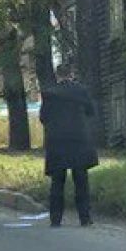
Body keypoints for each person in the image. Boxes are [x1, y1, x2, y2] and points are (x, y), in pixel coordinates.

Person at [40, 65, 97, 227]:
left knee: (57, 181)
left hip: (57, 142)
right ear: (71, 74)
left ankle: (56, 219)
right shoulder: (81, 90)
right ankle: (85, 218)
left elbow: (44, 118)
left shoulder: (49, 93)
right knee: (81, 180)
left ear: (57, 75)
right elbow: (90, 111)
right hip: (79, 140)